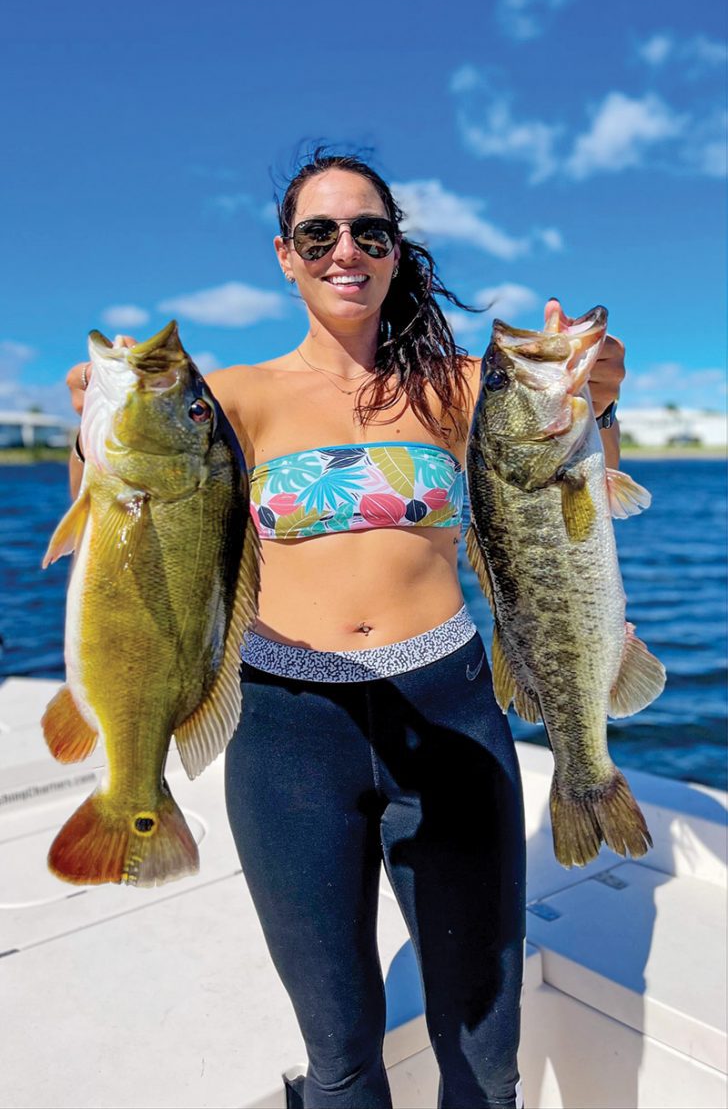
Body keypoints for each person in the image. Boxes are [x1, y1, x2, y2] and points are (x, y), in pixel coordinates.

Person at [66, 150, 624, 1109]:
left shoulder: (464, 387)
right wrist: (92, 428)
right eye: (319, 234)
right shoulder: (229, 397)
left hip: (450, 714)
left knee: (486, 1055)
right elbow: (129, 536)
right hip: (289, 736)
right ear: (286, 255)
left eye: (369, 232)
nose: (345, 252)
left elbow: (574, 496)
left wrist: (601, 394)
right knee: (340, 1054)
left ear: (396, 251)